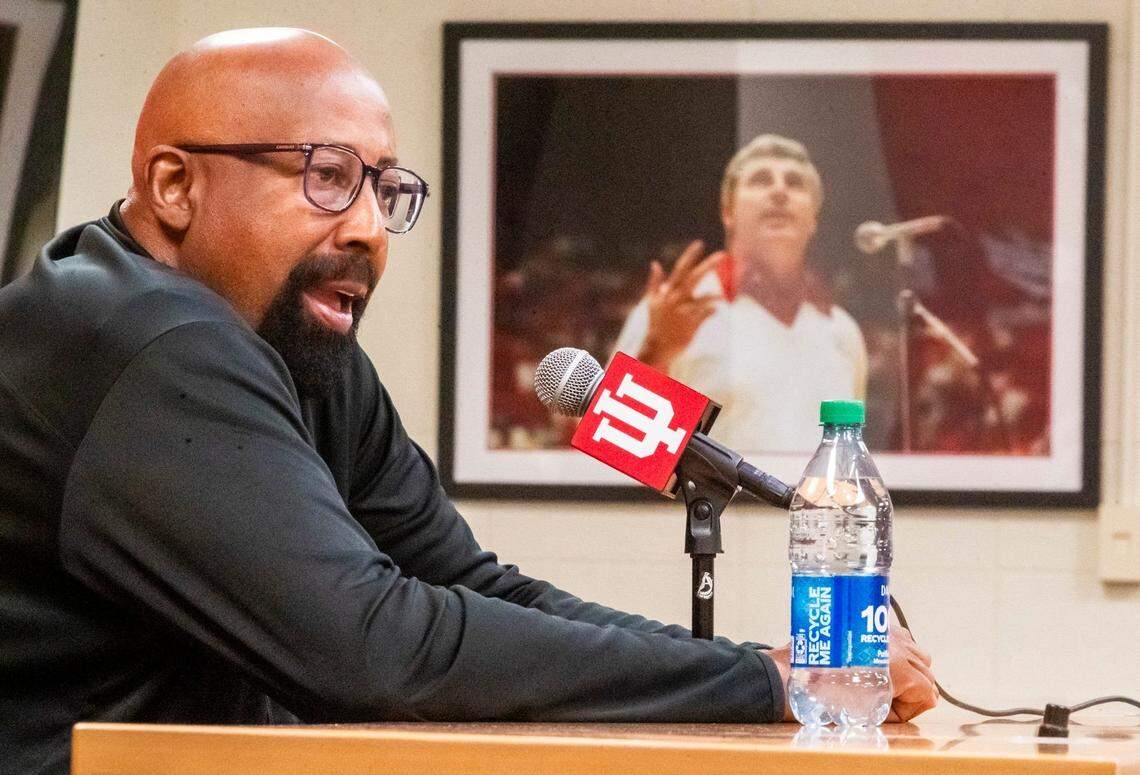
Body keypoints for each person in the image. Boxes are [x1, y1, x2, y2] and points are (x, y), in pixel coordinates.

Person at [0, 30, 936, 774]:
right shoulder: (145, 340)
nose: (367, 227)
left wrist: (767, 669)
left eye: (384, 187)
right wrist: (763, 683)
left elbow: (470, 587)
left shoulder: (290, 341)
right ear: (174, 185)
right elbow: (371, 645)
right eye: (326, 177)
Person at [613, 135, 868, 452]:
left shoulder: (842, 332)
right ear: (727, 213)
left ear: (813, 218)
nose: (779, 190)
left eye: (795, 183)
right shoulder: (677, 308)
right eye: (761, 180)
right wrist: (657, 351)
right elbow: (614, 455)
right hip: (707, 504)